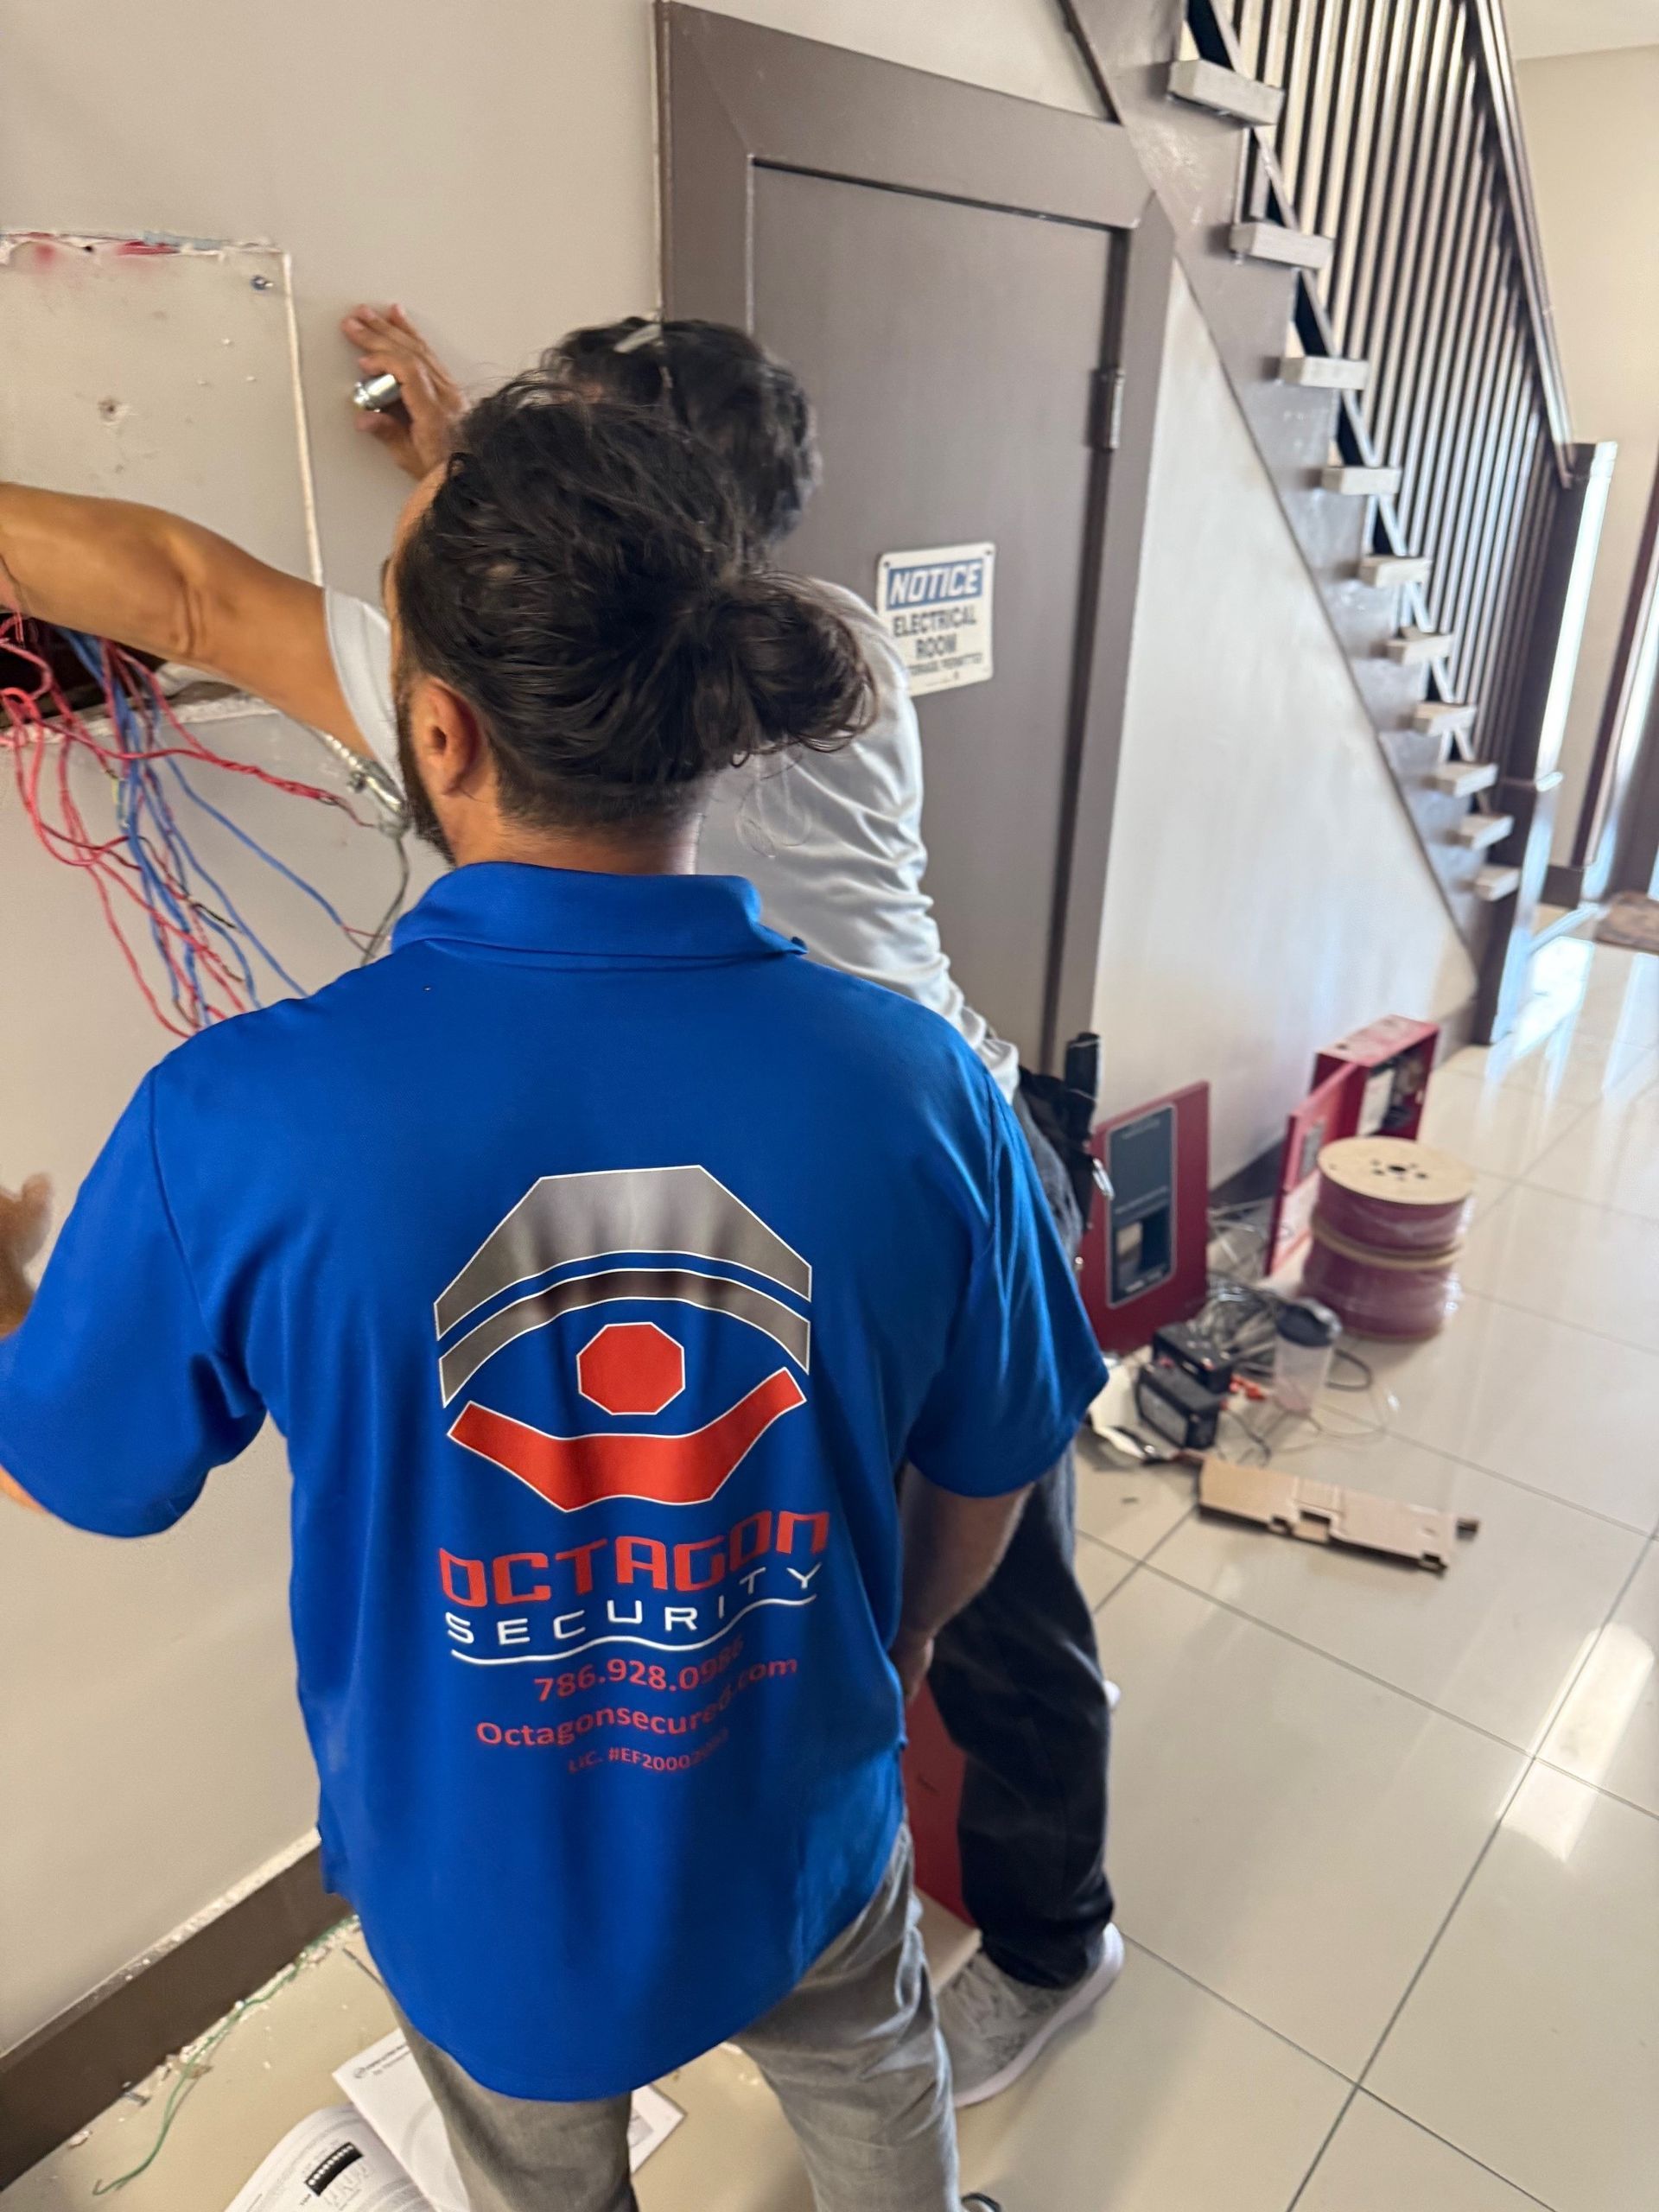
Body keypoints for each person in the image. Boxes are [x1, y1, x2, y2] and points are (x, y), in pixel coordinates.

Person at [0, 302, 1120, 2104]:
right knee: (971, 1607)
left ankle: (1063, 1930)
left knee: (995, 1624)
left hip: (493, 1919)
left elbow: (188, 596)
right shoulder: (794, 652)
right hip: (922, 1164)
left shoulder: (247, 1115)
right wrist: (883, 1639)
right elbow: (970, 1495)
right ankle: (1037, 1913)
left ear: (446, 729)